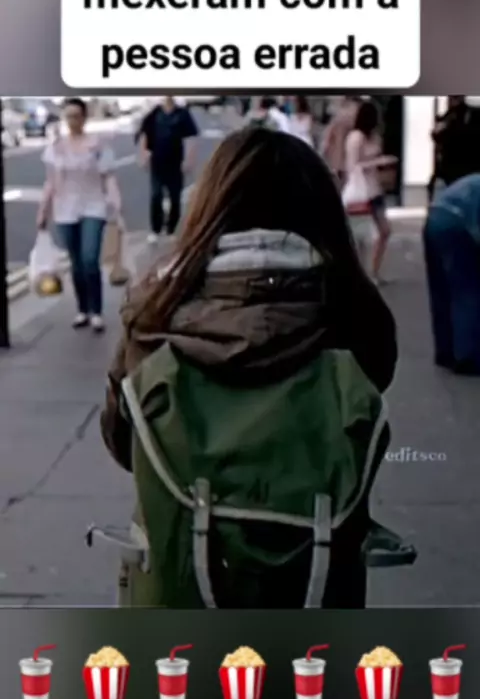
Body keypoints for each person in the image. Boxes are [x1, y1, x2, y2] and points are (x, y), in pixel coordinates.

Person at [100, 127, 399, 609]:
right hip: (315, 582)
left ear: (210, 205)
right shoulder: (355, 311)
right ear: (321, 211)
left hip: (183, 583)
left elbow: (123, 443)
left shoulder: (156, 311)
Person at [36, 97, 122, 332]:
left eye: (76, 116)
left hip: (94, 206)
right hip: (65, 210)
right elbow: (50, 182)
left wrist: (116, 203)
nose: (72, 121)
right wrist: (43, 211)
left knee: (90, 259)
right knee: (76, 263)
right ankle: (82, 309)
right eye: (68, 116)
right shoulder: (56, 147)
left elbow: (108, 177)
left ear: (84, 117)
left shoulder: (98, 145)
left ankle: (96, 312)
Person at [424, 174, 480, 375]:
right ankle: (468, 357)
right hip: (457, 224)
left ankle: (445, 352)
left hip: (435, 217)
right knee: (467, 290)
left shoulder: (474, 182)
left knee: (441, 290)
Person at [344, 100, 396, 284]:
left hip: (375, 189)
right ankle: (361, 275)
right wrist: (378, 162)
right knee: (360, 236)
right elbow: (353, 166)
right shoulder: (355, 137)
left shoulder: (374, 137)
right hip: (361, 191)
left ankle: (373, 271)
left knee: (385, 230)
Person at [136, 96, 199, 243]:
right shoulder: (154, 113)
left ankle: (172, 228)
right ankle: (155, 229)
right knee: (156, 195)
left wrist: (189, 159)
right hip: (157, 162)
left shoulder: (182, 114)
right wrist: (143, 155)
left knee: (174, 196)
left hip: (175, 163)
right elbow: (145, 134)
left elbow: (191, 137)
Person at [430, 96, 480, 195]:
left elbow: (439, 135)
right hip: (458, 165)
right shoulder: (452, 114)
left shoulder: (456, 115)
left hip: (459, 164)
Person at [320, 95, 361, 183]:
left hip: (340, 155)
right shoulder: (352, 110)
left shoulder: (342, 112)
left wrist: (325, 146)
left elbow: (329, 135)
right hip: (344, 154)